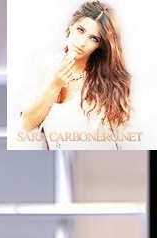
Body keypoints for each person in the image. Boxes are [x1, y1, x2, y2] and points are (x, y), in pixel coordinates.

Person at [20, 1, 133, 150]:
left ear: (100, 46)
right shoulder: (44, 66)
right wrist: (55, 85)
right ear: (70, 26)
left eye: (94, 38)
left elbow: (126, 143)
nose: (82, 42)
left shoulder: (107, 82)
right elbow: (27, 123)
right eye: (80, 30)